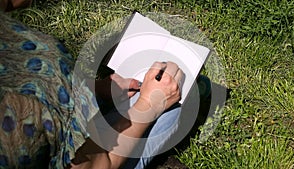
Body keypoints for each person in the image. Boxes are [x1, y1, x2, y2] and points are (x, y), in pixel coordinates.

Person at [0, 3, 184, 169]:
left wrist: (92, 89)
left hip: (70, 127)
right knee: (175, 111)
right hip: (88, 158)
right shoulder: (13, 122)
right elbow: (99, 165)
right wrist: (148, 106)